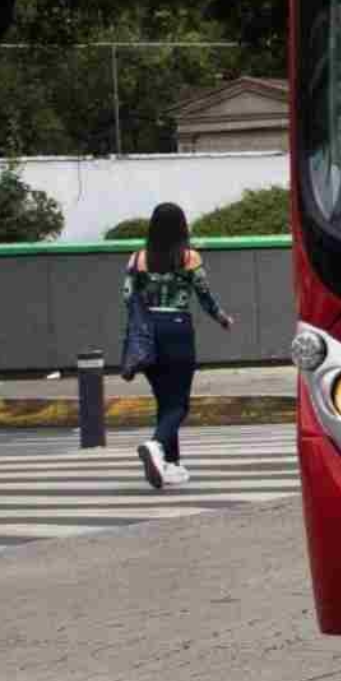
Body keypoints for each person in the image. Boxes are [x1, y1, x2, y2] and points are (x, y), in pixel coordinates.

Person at [124, 202, 235, 488]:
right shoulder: (189, 258)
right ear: (182, 227)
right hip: (177, 330)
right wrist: (222, 318)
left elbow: (128, 297)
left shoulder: (136, 259)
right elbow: (204, 295)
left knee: (165, 401)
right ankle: (157, 444)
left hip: (148, 332)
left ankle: (171, 465)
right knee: (180, 404)